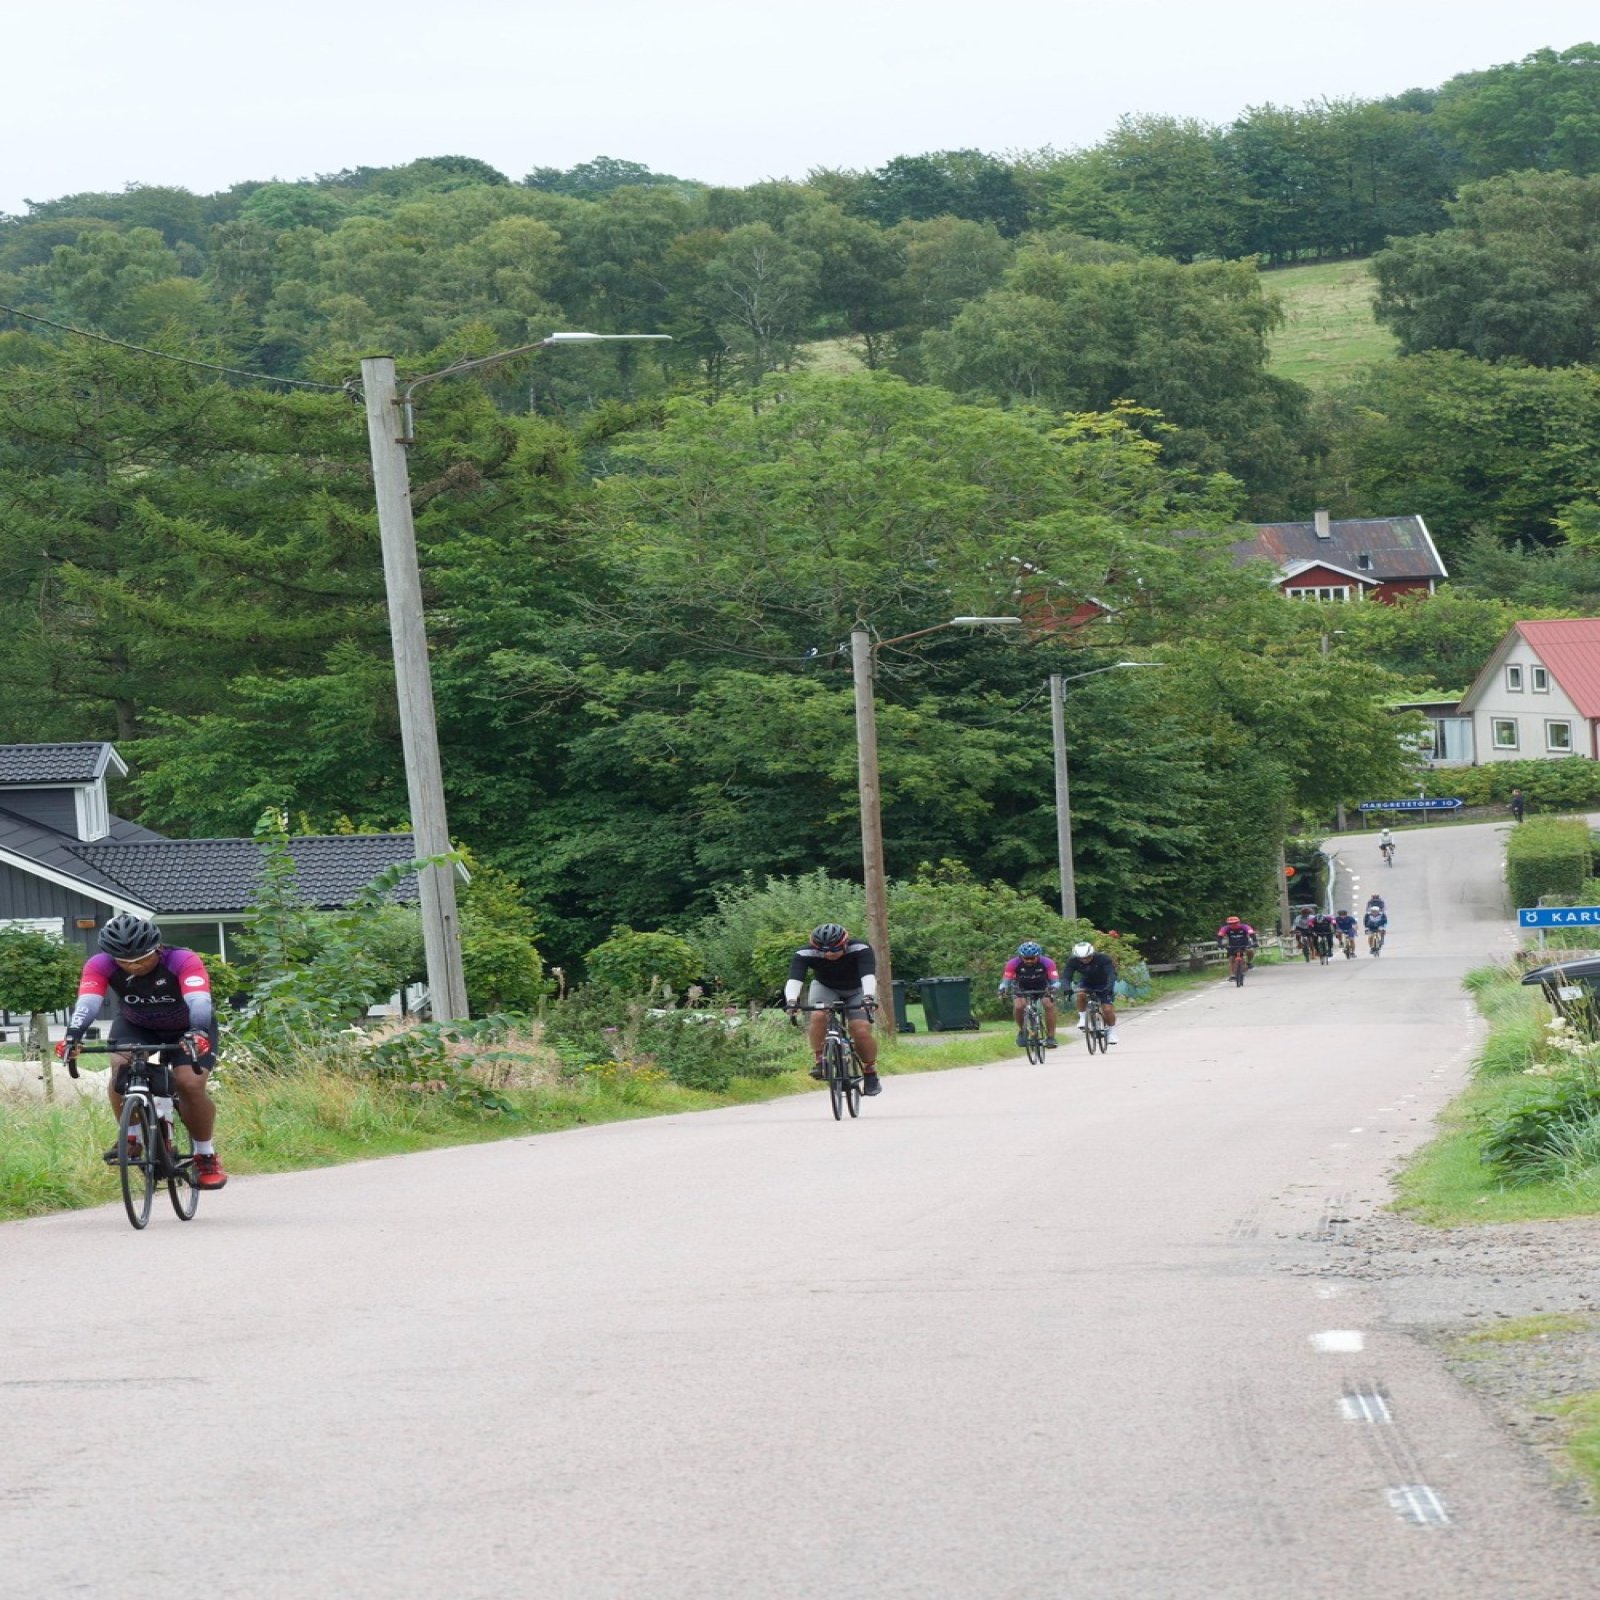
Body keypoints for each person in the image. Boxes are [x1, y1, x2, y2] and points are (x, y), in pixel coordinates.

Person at [56, 913, 228, 1189]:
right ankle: (132, 1136)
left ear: (157, 948)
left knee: (189, 1084)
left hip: (188, 1025)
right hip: (137, 1024)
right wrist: (72, 1037)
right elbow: (88, 1003)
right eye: (124, 962)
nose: (134, 966)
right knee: (120, 1071)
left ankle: (205, 1155)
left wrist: (197, 1031)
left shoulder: (182, 960)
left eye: (142, 959)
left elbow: (199, 1000)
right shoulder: (100, 964)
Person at [784, 923, 881, 1095]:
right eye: (823, 951)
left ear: (845, 944)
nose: (829, 954)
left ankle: (870, 1071)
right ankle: (820, 1059)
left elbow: (868, 975)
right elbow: (795, 979)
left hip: (857, 989)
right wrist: (792, 1001)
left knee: (860, 1029)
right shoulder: (804, 954)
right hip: (826, 987)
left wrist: (868, 998)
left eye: (835, 950)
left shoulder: (860, 948)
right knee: (818, 1015)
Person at [998, 941, 1061, 1049]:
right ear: (1021, 956)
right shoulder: (1013, 963)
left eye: (1032, 958)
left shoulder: (1048, 962)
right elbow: (1006, 980)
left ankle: (1051, 1037)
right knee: (1019, 1006)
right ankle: (1023, 1031)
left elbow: (1055, 981)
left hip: (1042, 987)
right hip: (1021, 987)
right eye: (1026, 958)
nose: (1029, 961)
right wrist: (1002, 989)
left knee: (1049, 1005)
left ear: (1038, 956)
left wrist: (1054, 988)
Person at [1061, 938, 1119, 1044]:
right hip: (1087, 982)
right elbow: (1066, 976)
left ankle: (1112, 1032)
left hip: (1104, 982)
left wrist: (1109, 988)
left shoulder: (1103, 958)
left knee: (1107, 1009)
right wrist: (1066, 988)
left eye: (1087, 957)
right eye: (1081, 958)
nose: (1085, 960)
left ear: (1092, 953)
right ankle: (1082, 1018)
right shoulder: (1073, 960)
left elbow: (1111, 974)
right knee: (1081, 994)